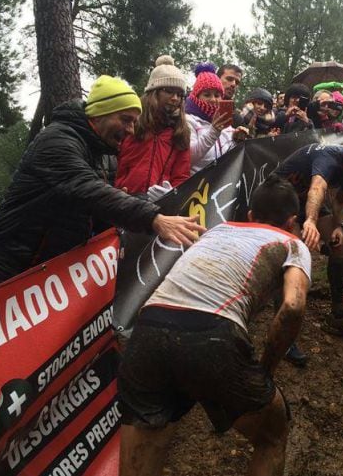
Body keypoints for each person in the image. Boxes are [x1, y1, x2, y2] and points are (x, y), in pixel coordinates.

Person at [117, 175, 310, 476]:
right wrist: (266, 370)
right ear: (292, 221)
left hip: (148, 328)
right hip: (210, 333)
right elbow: (293, 306)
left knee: (147, 444)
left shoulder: (217, 230)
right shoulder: (292, 243)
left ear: (250, 215)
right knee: (272, 436)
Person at [0, 75, 205, 292]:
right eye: (125, 120)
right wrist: (154, 218)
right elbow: (89, 191)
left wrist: (147, 202)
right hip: (9, 272)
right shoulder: (58, 140)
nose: (131, 130)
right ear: (101, 113)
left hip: (49, 273)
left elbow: (102, 208)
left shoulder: (104, 155)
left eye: (134, 122)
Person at [275, 138, 343, 362]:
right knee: (295, 250)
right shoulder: (330, 159)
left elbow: (342, 199)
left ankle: (338, 315)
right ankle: (282, 330)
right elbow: (318, 188)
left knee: (341, 244)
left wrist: (339, 226)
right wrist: (311, 222)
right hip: (280, 197)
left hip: (305, 198)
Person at [116, 60, 191, 198]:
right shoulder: (131, 123)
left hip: (159, 208)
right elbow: (112, 164)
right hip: (122, 202)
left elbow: (181, 175)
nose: (175, 98)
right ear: (153, 92)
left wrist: (171, 195)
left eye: (180, 94)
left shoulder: (180, 132)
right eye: (168, 91)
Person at [186, 63, 248, 174]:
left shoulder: (223, 121)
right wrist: (214, 131)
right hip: (197, 187)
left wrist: (236, 138)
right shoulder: (188, 120)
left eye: (217, 95)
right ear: (196, 96)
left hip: (221, 185)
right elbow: (188, 158)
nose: (213, 99)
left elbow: (227, 154)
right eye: (207, 94)